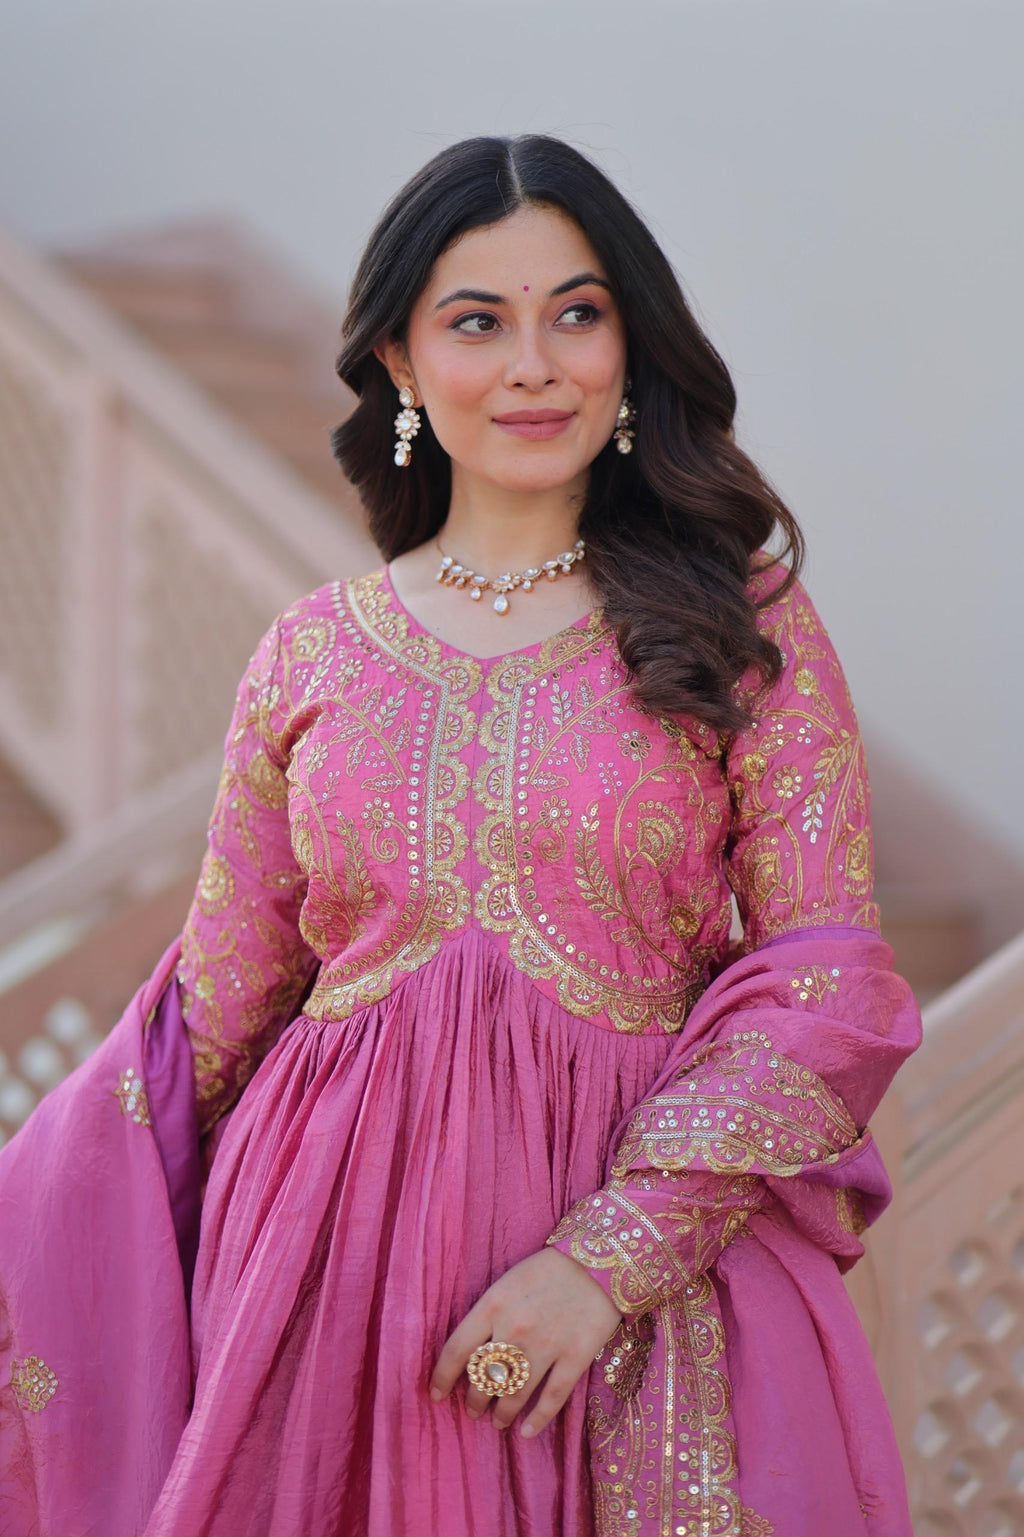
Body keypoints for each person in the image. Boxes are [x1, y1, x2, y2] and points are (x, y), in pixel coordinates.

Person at [0, 135, 922, 1536]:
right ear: (397, 365)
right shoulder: (310, 653)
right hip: (319, 1286)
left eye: (578, 311)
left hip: (623, 1303)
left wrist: (604, 1262)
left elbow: (828, 985)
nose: (535, 363)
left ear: (631, 347)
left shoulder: (738, 623)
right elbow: (213, 1013)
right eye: (478, 321)